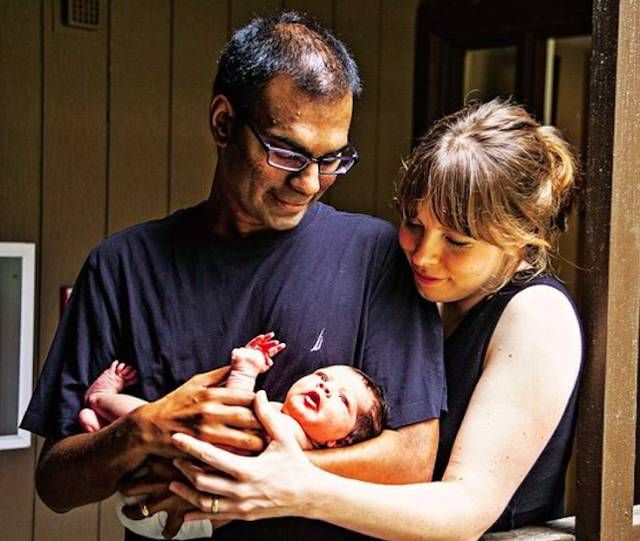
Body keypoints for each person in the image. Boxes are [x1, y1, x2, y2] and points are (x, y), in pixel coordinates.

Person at [20, 11, 445, 541]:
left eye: (333, 158)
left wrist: (246, 482)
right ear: (223, 123)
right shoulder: (122, 265)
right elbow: (56, 483)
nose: (310, 182)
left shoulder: (377, 256)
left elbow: (412, 461)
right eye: (286, 153)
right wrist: (145, 428)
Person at [166, 98, 584, 540]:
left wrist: (300, 488)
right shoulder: (429, 293)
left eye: (457, 241)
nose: (423, 255)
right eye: (414, 224)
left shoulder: (537, 315)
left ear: (520, 237)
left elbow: (466, 510)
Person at [79, 334, 386, 540]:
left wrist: (244, 371)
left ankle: (101, 400)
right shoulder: (280, 414)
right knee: (153, 420)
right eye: (322, 376)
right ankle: (103, 424)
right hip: (164, 496)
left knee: (149, 418)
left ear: (339, 442)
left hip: (171, 513)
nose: (326, 387)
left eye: (343, 400)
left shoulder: (293, 437)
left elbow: (228, 431)